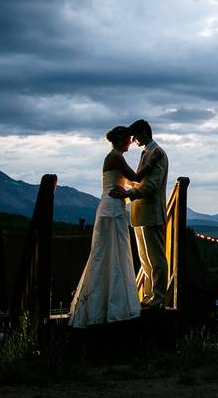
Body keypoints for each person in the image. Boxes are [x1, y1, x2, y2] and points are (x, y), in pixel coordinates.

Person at [68, 126, 152, 327]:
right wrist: (153, 162)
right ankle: (107, 306)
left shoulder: (114, 157)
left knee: (112, 253)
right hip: (112, 208)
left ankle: (108, 304)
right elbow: (136, 178)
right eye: (129, 139)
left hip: (112, 204)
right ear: (122, 140)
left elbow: (127, 182)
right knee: (111, 253)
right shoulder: (115, 157)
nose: (131, 142)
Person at [112, 119, 169, 308]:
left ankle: (159, 297)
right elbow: (141, 182)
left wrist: (128, 193)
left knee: (156, 258)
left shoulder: (158, 154)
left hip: (152, 214)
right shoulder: (147, 152)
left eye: (135, 135)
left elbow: (152, 186)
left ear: (144, 132)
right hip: (140, 214)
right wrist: (122, 182)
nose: (133, 139)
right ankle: (149, 295)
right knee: (145, 259)